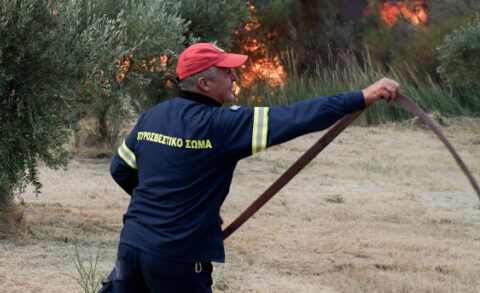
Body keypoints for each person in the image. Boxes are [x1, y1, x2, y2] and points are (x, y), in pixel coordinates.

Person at [99, 42, 401, 293]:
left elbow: (120, 169)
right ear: (204, 83)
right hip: (177, 260)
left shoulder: (152, 117)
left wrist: (162, 206)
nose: (235, 77)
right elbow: (295, 116)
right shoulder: (223, 125)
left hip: (132, 249)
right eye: (227, 72)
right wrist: (361, 97)